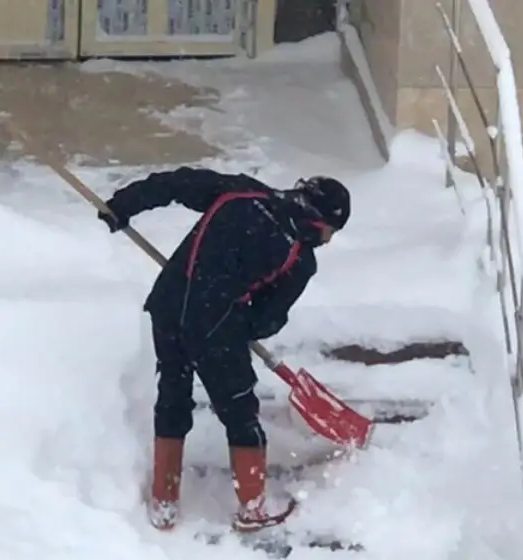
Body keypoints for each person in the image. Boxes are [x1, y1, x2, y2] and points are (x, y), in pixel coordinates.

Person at [99, 168, 351, 533]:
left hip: (168, 305)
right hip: (214, 327)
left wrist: (125, 204)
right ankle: (252, 509)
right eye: (331, 232)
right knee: (240, 412)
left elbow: (175, 184)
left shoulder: (242, 191)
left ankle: (164, 503)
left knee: (172, 396)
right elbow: (266, 318)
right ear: (320, 222)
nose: (327, 241)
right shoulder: (299, 259)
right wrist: (234, 320)